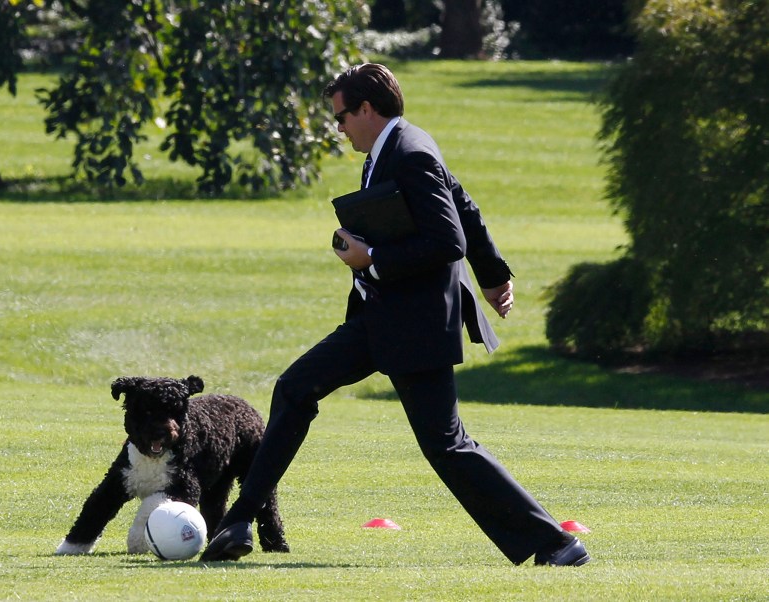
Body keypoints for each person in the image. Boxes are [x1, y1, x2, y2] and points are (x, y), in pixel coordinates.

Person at [200, 63, 590, 567]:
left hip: (415, 325)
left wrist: (373, 260)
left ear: (367, 108)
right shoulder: (400, 145)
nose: (338, 128)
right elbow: (464, 206)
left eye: (341, 117)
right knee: (296, 386)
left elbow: (448, 239)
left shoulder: (408, 153)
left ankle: (557, 543)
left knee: (447, 446)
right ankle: (241, 520)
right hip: (382, 317)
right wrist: (493, 276)